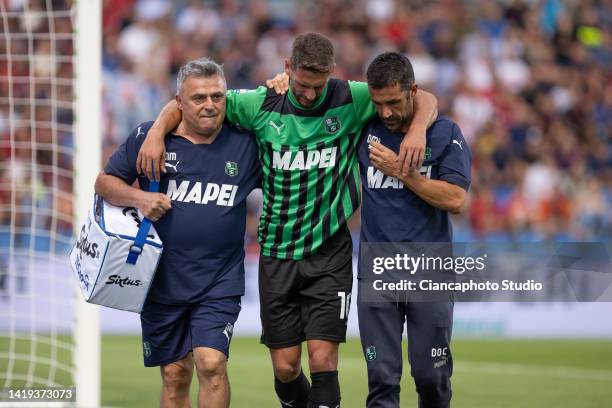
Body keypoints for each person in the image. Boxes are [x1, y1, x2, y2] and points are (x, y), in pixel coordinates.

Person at [137, 33, 438, 408]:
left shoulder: (351, 97)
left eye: (318, 85)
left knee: (323, 359)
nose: (310, 94)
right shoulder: (259, 103)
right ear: (286, 69)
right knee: (286, 368)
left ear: (332, 72)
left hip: (330, 251)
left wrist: (418, 129)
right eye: (302, 84)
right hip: (277, 253)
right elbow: (187, 103)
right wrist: (153, 133)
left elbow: (422, 96)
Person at [95, 58, 261, 408]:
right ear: (179, 102)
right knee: (174, 374)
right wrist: (139, 198)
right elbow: (104, 183)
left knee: (212, 364)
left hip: (220, 279)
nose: (209, 105)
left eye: (217, 96)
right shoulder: (148, 137)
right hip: (161, 280)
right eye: (198, 98)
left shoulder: (247, 143)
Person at [357, 52, 472, 408]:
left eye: (393, 102)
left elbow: (455, 199)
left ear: (412, 92)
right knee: (382, 380)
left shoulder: (444, 132)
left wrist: (404, 172)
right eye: (379, 104)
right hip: (378, 271)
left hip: (430, 270)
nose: (386, 113)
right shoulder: (364, 127)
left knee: (431, 376)